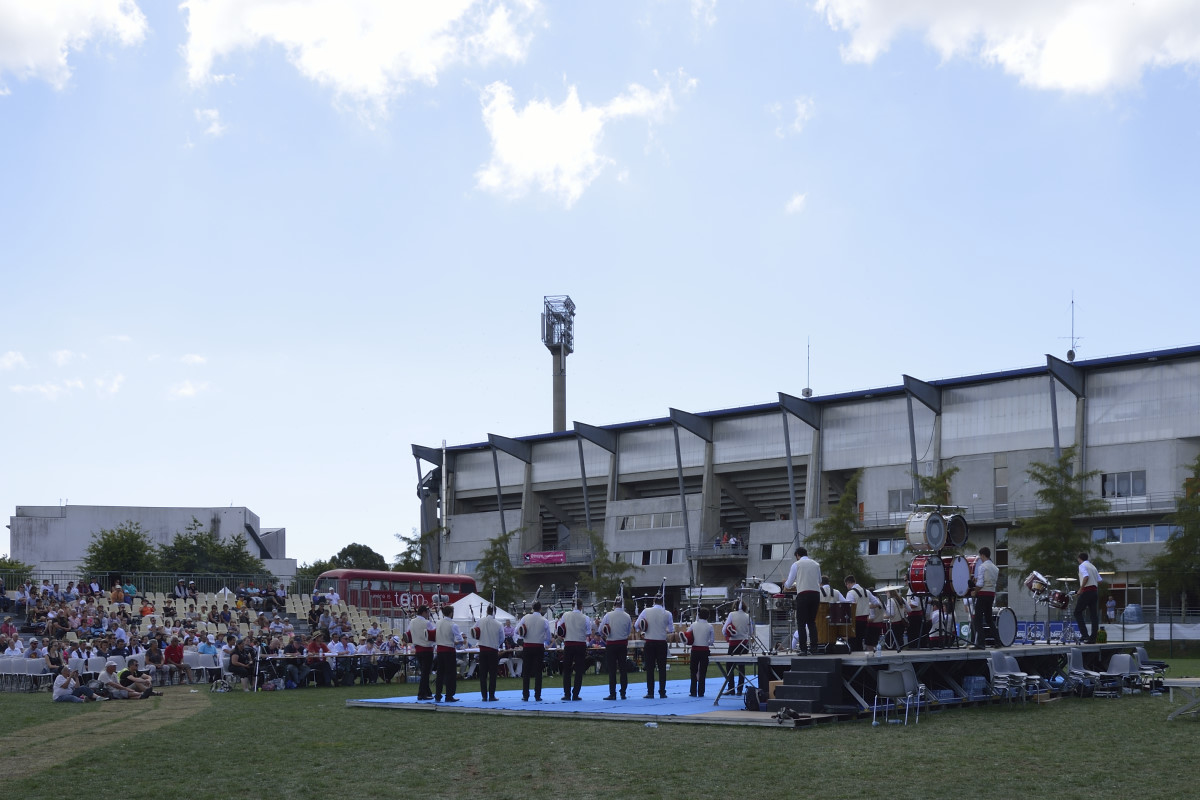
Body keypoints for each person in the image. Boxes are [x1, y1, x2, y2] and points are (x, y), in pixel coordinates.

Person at [783, 547, 822, 655]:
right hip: (815, 594)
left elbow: (789, 584)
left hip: (803, 595)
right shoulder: (816, 564)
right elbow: (819, 580)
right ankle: (814, 648)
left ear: (797, 555)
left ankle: (803, 649)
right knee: (812, 622)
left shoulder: (796, 564)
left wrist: (785, 583)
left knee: (801, 623)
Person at [636, 595, 673, 699]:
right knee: (662, 668)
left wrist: (644, 629)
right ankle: (662, 692)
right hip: (661, 642)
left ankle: (650, 692)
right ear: (662, 602)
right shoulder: (668, 613)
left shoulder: (646, 611)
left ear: (654, 601)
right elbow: (671, 630)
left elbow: (637, 625)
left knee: (650, 668)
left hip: (650, 642)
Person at [557, 599, 591, 701]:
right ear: (581, 606)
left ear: (572, 606)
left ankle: (567, 694)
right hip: (580, 644)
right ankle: (575, 694)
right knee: (579, 670)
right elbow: (588, 633)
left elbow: (559, 628)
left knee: (567, 670)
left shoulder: (565, 615)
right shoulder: (585, 617)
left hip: (569, 643)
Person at [599, 598, 632, 700]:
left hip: (611, 644)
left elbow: (600, 630)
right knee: (623, 669)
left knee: (612, 670)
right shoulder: (627, 616)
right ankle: (623, 693)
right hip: (622, 644)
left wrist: (606, 634)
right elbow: (628, 631)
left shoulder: (608, 615)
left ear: (614, 604)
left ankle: (612, 693)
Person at [517, 601, 550, 701]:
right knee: (538, 672)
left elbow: (517, 630)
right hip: (539, 646)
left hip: (527, 646)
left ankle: (525, 695)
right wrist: (541, 638)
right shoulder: (544, 620)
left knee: (526, 671)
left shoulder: (525, 617)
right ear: (540, 609)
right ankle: (537, 695)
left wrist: (524, 635)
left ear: (532, 608)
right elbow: (548, 636)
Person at [722, 600, 753, 695]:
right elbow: (751, 631)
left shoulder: (731, 614)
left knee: (729, 666)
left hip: (734, 643)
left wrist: (728, 634)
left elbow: (724, 630)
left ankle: (731, 688)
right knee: (741, 667)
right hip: (744, 643)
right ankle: (740, 689)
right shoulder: (748, 616)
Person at [473, 605, 504, 701]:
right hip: (493, 650)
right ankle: (491, 695)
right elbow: (502, 638)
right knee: (493, 674)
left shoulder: (480, 621)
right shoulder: (499, 624)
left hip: (482, 650)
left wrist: (480, 639)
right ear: (495, 612)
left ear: (486, 611)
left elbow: (473, 631)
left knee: (483, 674)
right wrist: (496, 644)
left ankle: (484, 696)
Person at [972, 547, 1000, 649]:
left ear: (983, 555)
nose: (980, 558)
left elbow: (980, 584)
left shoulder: (982, 567)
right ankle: (998, 641)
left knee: (977, 619)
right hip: (991, 594)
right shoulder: (995, 568)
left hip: (983, 594)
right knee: (989, 619)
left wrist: (975, 591)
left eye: (980, 556)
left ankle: (981, 643)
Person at [432, 609, 462, 702]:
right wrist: (456, 642)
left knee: (440, 673)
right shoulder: (453, 624)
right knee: (450, 674)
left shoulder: (438, 623)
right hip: (449, 650)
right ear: (451, 613)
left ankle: (438, 695)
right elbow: (460, 639)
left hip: (440, 650)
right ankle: (449, 695)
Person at [408, 605, 435, 700]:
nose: (428, 614)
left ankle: (428, 692)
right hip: (427, 649)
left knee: (424, 672)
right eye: (427, 612)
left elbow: (408, 634)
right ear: (424, 612)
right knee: (425, 673)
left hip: (418, 649)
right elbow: (433, 634)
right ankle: (421, 694)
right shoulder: (427, 622)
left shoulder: (412, 622)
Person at [686, 607, 715, 697]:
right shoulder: (710, 626)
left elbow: (687, 635)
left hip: (695, 650)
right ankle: (701, 692)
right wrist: (706, 642)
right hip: (705, 650)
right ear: (708, 616)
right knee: (703, 671)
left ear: (698, 615)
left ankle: (693, 691)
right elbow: (712, 641)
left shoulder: (693, 625)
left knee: (693, 671)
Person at [1075, 552, 1102, 643]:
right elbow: (1099, 580)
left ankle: (1085, 635)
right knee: (1093, 615)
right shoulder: (1093, 566)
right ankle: (1093, 637)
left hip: (1087, 591)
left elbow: (1086, 577)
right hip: (1094, 591)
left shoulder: (1082, 566)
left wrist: (1080, 589)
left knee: (1077, 612)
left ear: (1079, 559)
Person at [844, 576, 869, 652]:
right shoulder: (866, 591)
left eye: (846, 585)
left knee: (853, 641)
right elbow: (876, 603)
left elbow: (848, 607)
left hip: (855, 620)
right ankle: (860, 655)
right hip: (865, 620)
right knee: (860, 640)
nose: (847, 587)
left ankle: (854, 655)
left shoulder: (850, 593)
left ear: (848, 583)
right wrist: (865, 606)